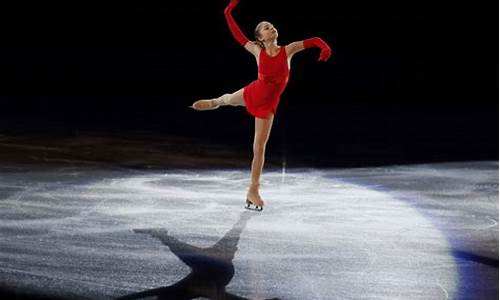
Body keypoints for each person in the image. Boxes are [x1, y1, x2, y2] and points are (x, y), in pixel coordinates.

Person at [190, 0, 332, 211]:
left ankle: (253, 190)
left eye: (272, 25)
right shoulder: (257, 51)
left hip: (268, 105)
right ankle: (215, 102)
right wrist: (228, 12)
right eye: (266, 27)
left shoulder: (289, 50)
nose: (271, 27)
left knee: (258, 148)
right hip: (253, 92)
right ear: (260, 38)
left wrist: (324, 46)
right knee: (228, 100)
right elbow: (238, 36)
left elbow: (313, 40)